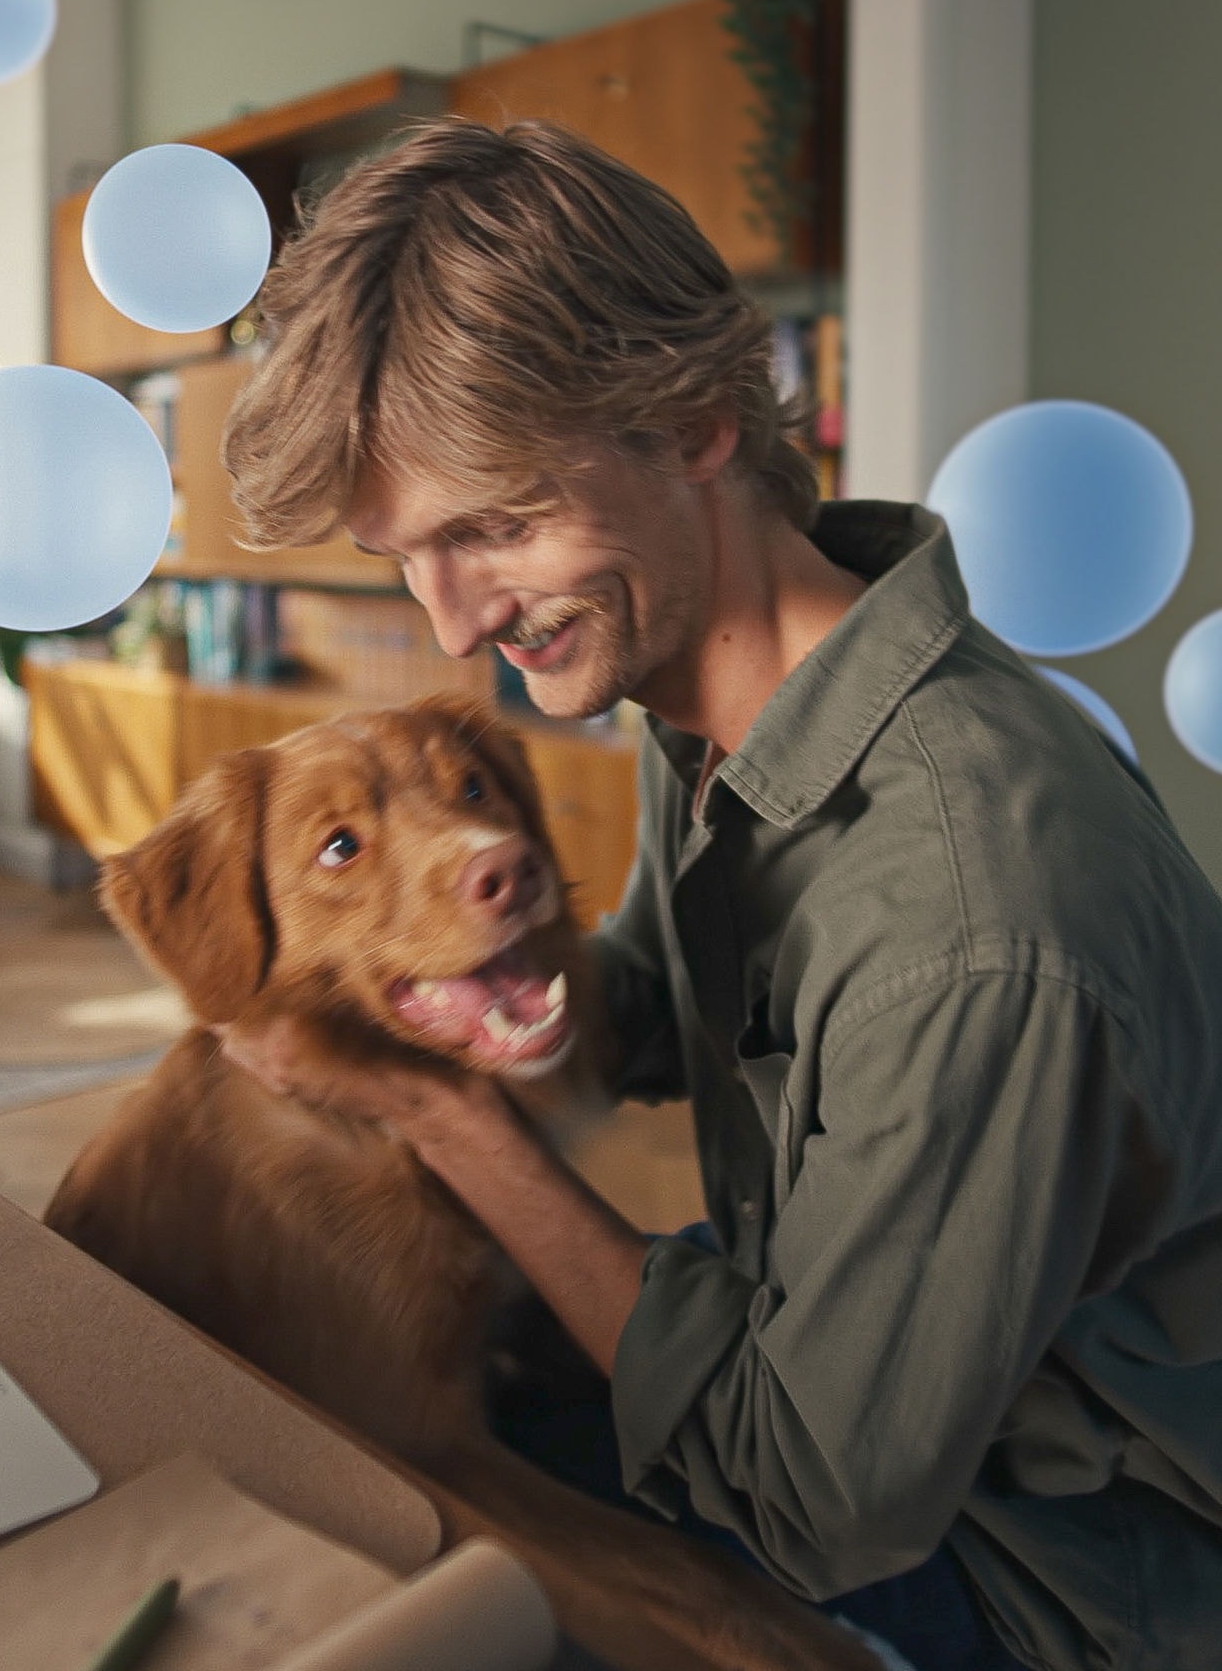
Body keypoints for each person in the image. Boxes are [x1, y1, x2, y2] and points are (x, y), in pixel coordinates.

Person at [216, 117, 1222, 1671]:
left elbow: (813, 1495)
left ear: (692, 422)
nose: (456, 623)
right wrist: (416, 975)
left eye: (494, 527)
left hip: (1052, 1582)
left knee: (412, 1568)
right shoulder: (711, 686)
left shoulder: (972, 920)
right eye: (404, 553)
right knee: (338, 1430)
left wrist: (449, 1117)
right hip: (850, 1361)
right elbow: (650, 992)